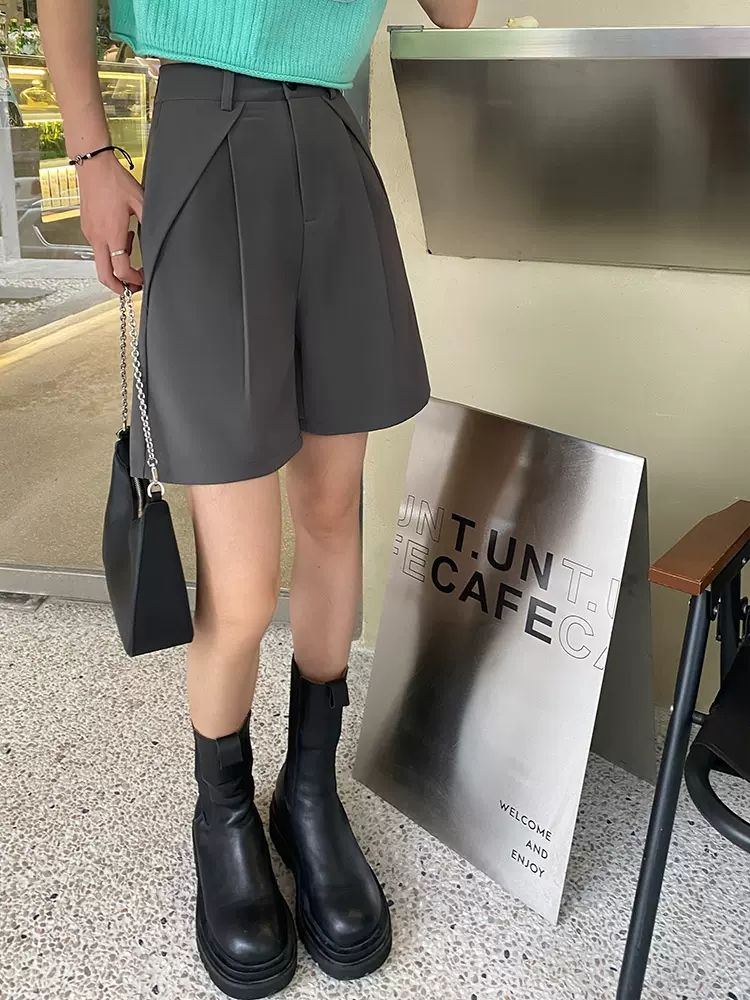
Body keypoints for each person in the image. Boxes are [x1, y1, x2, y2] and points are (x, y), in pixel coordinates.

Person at [37, 1, 478, 997]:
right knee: (239, 583)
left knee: (331, 518)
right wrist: (92, 153)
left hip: (330, 139)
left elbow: (456, 13)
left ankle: (308, 792)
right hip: (205, 132)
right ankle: (223, 814)